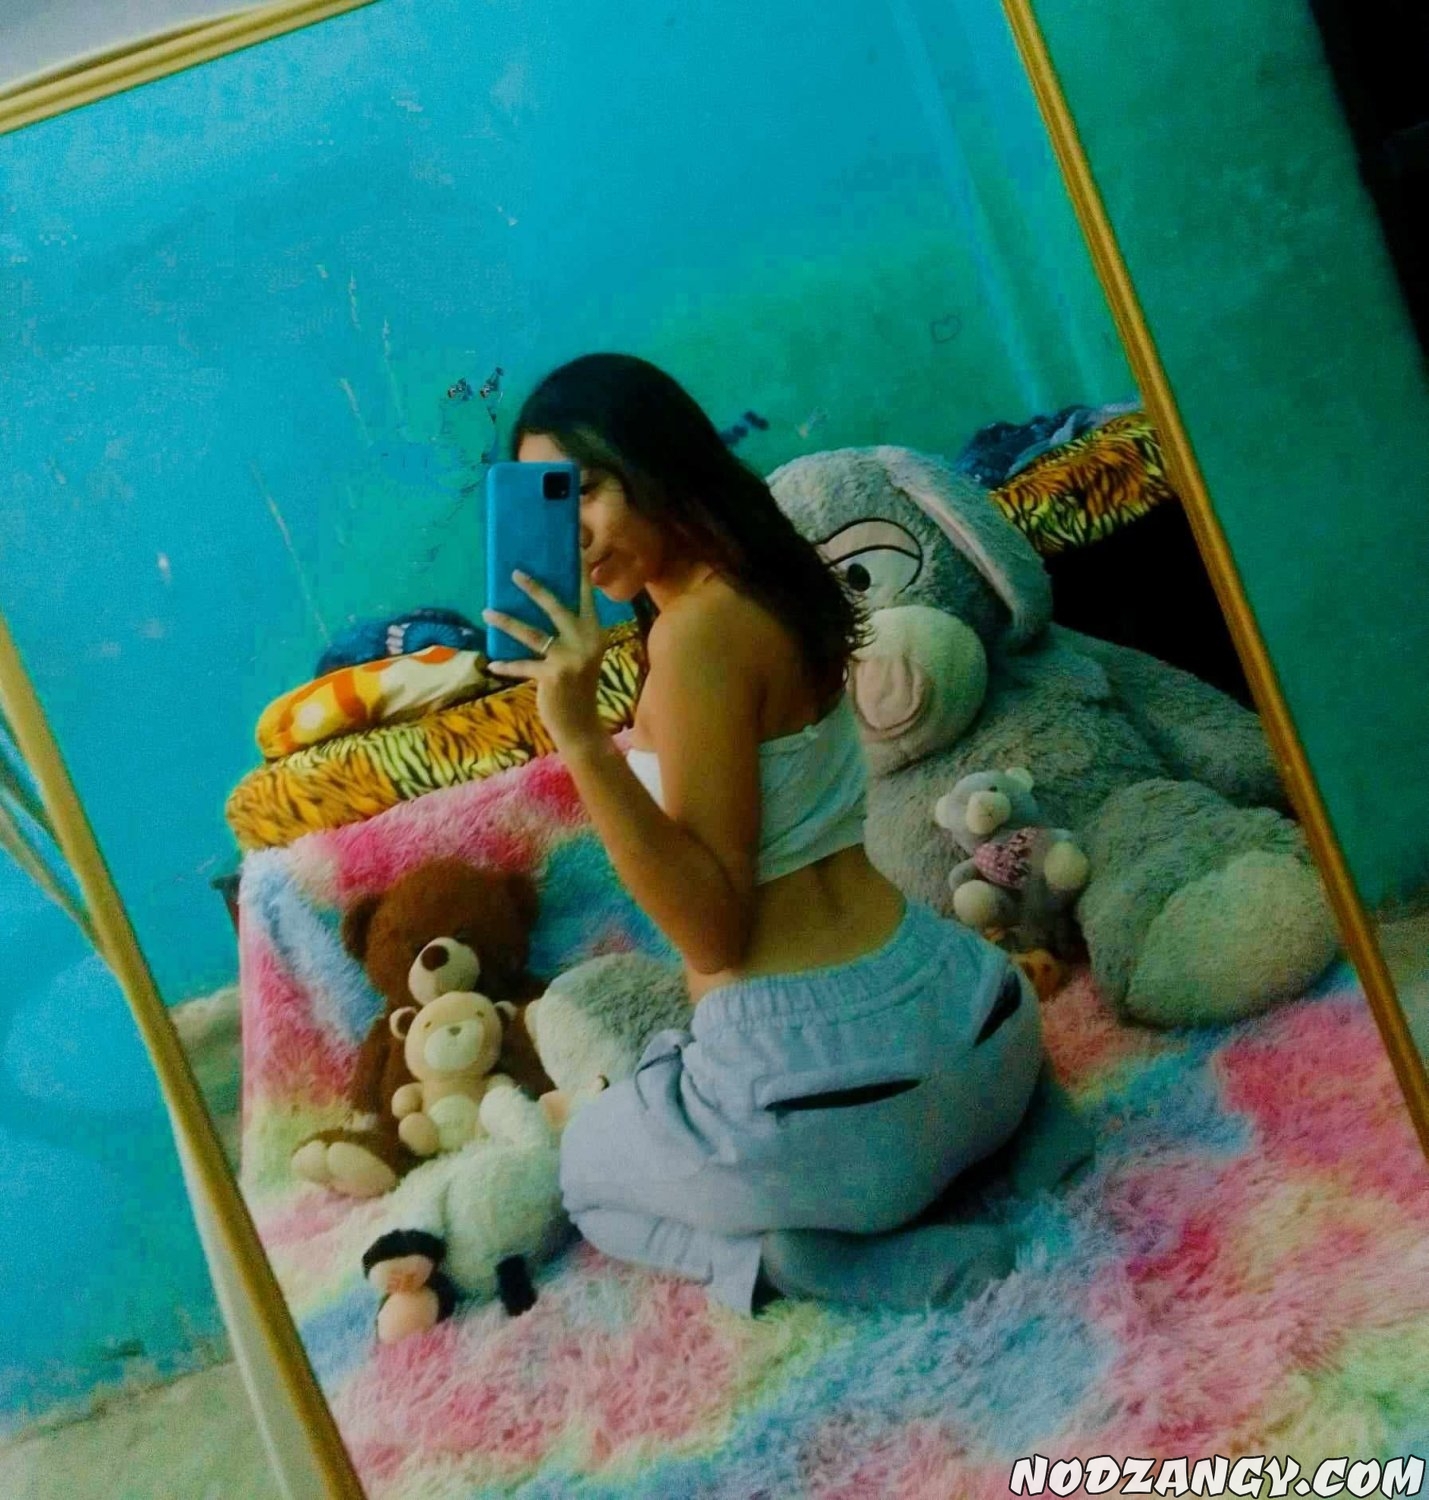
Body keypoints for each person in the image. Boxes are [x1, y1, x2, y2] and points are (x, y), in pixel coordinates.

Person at [483, 353, 1046, 1315]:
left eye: (590, 488)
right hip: (981, 1024)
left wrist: (577, 735)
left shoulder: (694, 635)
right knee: (665, 1070)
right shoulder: (777, 582)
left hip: (835, 1107)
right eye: (549, 502)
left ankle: (802, 1264)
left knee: (584, 1171)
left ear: (657, 463)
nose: (571, 531)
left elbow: (712, 933)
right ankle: (1006, 1151)